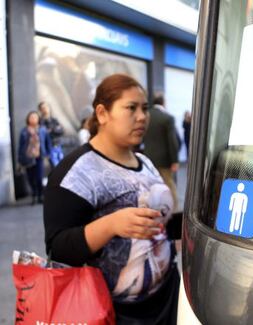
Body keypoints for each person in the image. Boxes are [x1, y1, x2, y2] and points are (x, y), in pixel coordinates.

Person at [43, 74, 180, 324]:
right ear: (103, 113)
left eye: (145, 108)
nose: (141, 117)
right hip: (113, 313)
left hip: (166, 299)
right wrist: (111, 224)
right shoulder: (75, 172)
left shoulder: (145, 162)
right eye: (131, 108)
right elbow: (58, 248)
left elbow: (158, 223)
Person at [143, 93, 180, 211]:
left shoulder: (145, 116)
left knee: (151, 186)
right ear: (163, 102)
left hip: (148, 158)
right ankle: (174, 210)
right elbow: (172, 141)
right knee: (169, 185)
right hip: (164, 160)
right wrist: (175, 160)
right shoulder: (167, 118)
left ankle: (154, 209)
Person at [18, 111, 51, 204]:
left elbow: (48, 142)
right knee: (30, 178)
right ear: (28, 119)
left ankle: (40, 195)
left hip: (39, 156)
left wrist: (48, 153)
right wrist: (20, 159)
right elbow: (21, 146)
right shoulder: (24, 131)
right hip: (28, 157)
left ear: (38, 119)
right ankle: (34, 195)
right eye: (31, 117)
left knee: (39, 177)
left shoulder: (42, 130)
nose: (33, 119)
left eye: (35, 117)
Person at [38, 101, 65, 168]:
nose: (45, 109)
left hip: (58, 145)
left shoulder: (54, 119)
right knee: (56, 168)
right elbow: (44, 135)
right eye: (43, 108)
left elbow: (61, 131)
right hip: (50, 147)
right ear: (40, 110)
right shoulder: (41, 121)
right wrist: (55, 129)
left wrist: (52, 130)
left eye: (46, 107)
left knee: (62, 166)